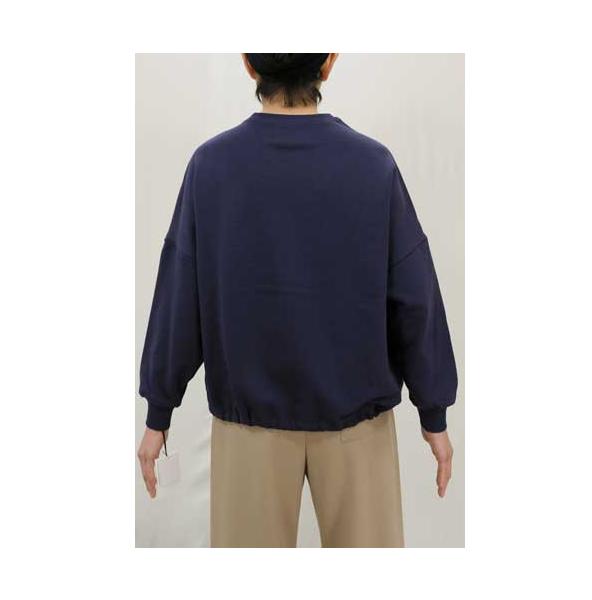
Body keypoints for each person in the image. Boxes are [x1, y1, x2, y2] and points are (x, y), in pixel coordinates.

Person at [137, 53, 458, 548]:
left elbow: (181, 297)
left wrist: (159, 413)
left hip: (249, 432)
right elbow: (414, 295)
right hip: (358, 428)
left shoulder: (212, 168)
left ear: (249, 63)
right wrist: (432, 413)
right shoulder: (372, 166)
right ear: (328, 62)